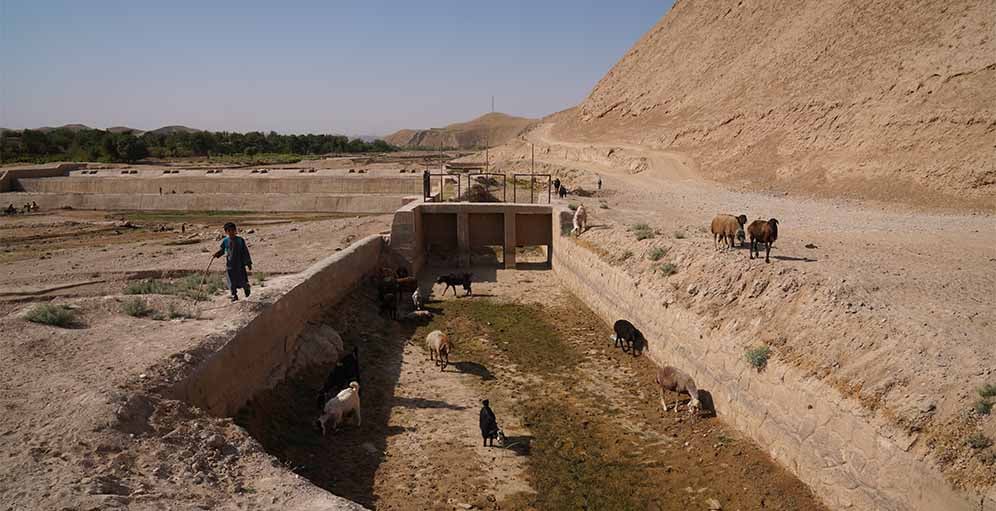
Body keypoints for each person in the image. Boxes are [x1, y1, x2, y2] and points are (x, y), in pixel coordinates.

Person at [213, 222, 253, 302]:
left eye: (232, 230)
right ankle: (234, 294)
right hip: (230, 265)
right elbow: (222, 250)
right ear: (226, 232)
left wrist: (248, 263)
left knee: (242, 279)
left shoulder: (240, 240)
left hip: (240, 265)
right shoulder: (225, 241)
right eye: (229, 231)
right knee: (231, 281)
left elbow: (245, 252)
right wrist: (217, 254)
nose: (231, 232)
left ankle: (246, 289)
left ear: (235, 230)